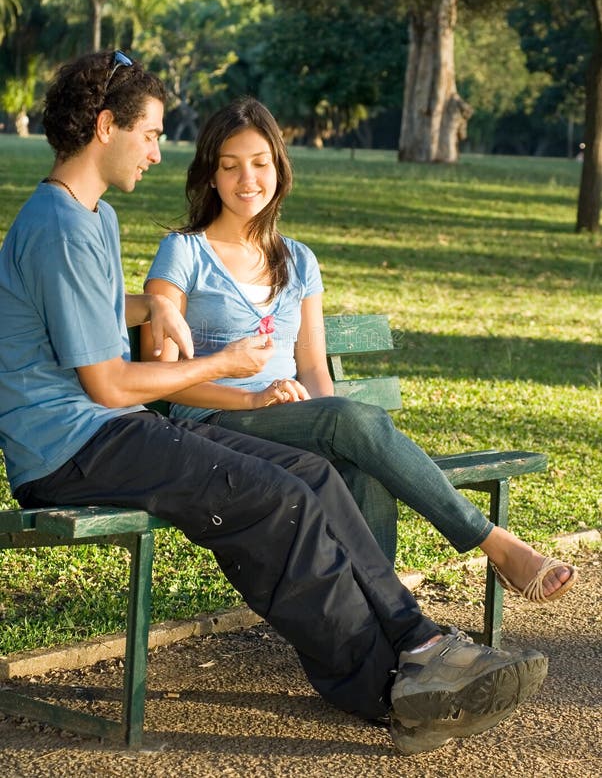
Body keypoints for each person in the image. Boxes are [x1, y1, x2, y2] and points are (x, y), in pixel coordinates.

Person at [0, 52, 549, 757]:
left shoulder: (93, 216)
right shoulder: (58, 224)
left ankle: (422, 641)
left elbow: (90, 309)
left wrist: (151, 310)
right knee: (273, 498)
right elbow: (106, 384)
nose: (157, 153)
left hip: (110, 433)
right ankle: (389, 692)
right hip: (70, 448)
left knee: (312, 475)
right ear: (107, 126)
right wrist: (222, 361)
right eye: (150, 134)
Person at [143, 96, 577, 604]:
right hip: (213, 425)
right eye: (230, 166)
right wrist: (257, 400)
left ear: (279, 170)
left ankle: (380, 631)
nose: (247, 180)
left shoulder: (299, 260)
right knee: (352, 423)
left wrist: (321, 413)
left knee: (364, 469)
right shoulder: (185, 251)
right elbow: (161, 376)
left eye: (260, 164)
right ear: (210, 175)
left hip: (292, 421)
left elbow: (311, 366)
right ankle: (494, 545)